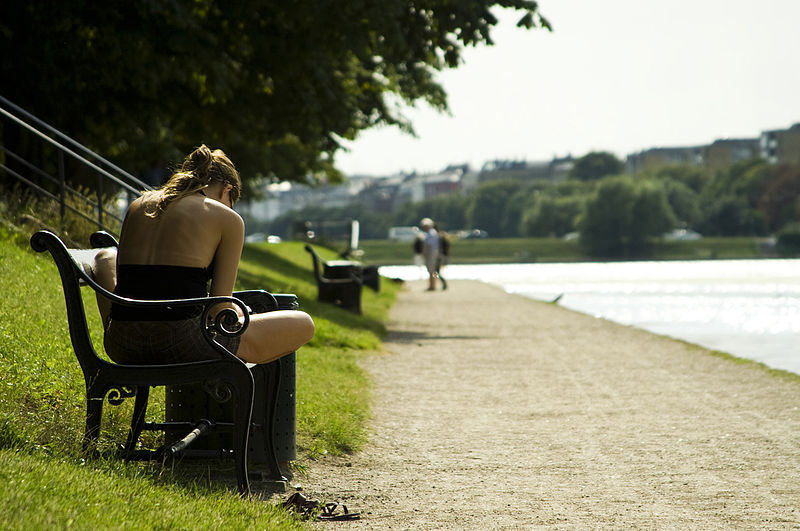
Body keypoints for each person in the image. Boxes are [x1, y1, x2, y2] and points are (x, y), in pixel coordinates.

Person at [93, 144, 315, 365]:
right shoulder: (227, 219)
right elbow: (219, 308)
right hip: (179, 343)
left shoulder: (138, 205)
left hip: (122, 342)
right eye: (231, 203)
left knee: (107, 259)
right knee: (304, 323)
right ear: (226, 189)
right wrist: (238, 309)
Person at [420, 217, 439, 291]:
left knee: (432, 270)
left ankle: (433, 285)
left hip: (431, 253)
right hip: (433, 252)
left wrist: (424, 252)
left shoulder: (431, 233)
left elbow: (429, 245)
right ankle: (433, 284)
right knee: (432, 270)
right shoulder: (432, 232)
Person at [435, 224, 449, 290]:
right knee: (437, 272)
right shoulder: (442, 236)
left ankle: (443, 283)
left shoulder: (438, 237)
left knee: (436, 272)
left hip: (439, 257)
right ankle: (442, 283)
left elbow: (439, 248)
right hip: (442, 256)